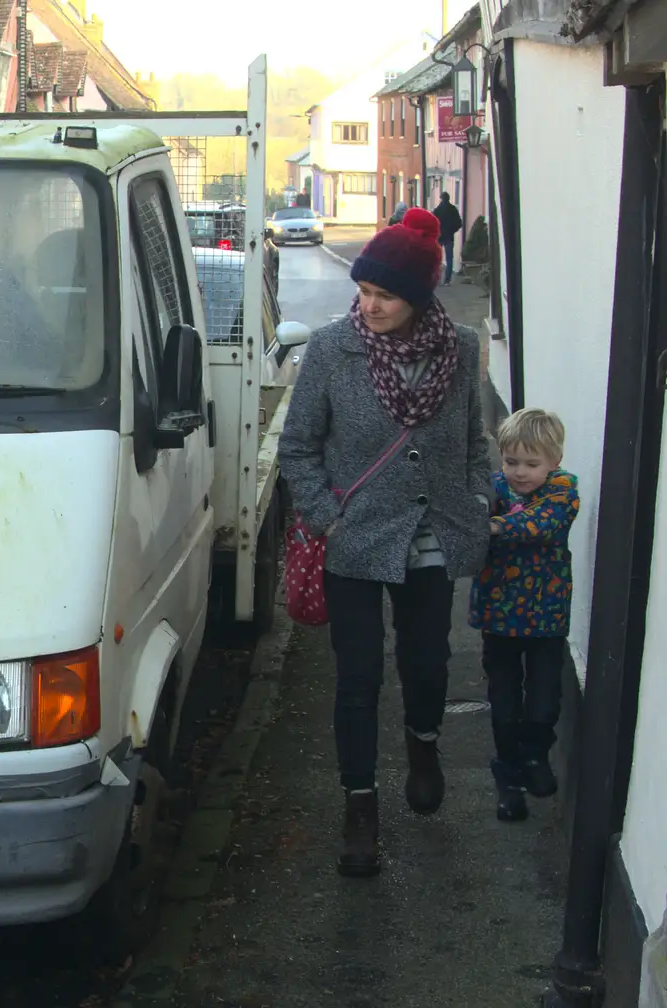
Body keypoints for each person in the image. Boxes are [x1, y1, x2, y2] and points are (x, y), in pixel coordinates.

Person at [280, 207, 492, 878]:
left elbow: (474, 440)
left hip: (432, 535)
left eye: (384, 295)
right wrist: (328, 516)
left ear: (419, 297)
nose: (368, 304)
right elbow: (298, 446)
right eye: (365, 291)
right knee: (358, 678)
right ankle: (360, 806)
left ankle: (424, 742)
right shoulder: (332, 348)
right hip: (355, 541)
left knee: (427, 666)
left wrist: (480, 500)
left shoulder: (458, 348)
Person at [468, 408, 579, 823]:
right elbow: (471, 505)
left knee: (545, 699)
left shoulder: (562, 492)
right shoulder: (494, 488)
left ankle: (535, 754)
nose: (519, 473)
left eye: (532, 464)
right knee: (504, 702)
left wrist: (491, 526)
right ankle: (508, 779)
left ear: (555, 461)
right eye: (511, 461)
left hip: (547, 618)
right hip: (499, 617)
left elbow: (540, 524)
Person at [434, 192, 464, 285]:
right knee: (449, 258)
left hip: (439, 237)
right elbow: (459, 223)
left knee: (437, 258)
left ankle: (436, 279)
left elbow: (432, 222)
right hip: (449, 237)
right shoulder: (453, 209)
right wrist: (452, 230)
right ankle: (447, 280)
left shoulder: (437, 210)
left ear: (441, 198)